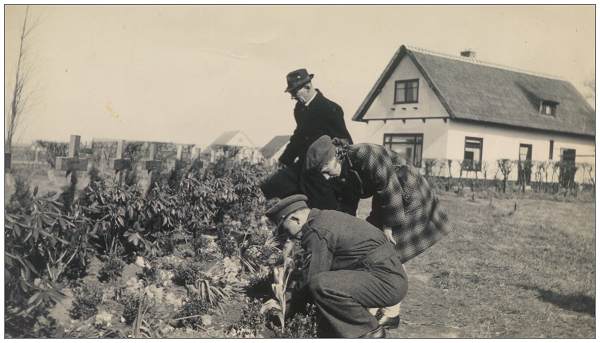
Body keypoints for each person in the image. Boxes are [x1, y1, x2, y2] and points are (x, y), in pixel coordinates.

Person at [304, 135, 452, 328]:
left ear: (334, 157)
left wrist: (388, 225)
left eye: (325, 170)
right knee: (368, 248)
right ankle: (371, 306)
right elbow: (347, 204)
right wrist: (344, 231)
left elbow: (389, 186)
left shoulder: (366, 154)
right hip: (385, 200)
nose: (325, 177)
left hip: (407, 193)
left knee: (390, 252)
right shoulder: (340, 172)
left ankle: (391, 313)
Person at [265, 194, 408, 338]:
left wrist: (285, 307)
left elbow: (311, 278)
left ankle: (370, 333)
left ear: (295, 219)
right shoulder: (324, 218)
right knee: (325, 284)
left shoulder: (317, 231)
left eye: (285, 230)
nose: (288, 237)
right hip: (387, 276)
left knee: (321, 285)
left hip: (386, 282)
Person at [260, 68, 353, 210]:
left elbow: (345, 141)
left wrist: (335, 170)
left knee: (322, 208)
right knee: (270, 186)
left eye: (295, 93)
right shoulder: (299, 108)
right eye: (291, 94)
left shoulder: (330, 108)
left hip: (321, 167)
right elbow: (298, 136)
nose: (293, 97)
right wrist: (284, 160)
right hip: (302, 164)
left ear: (308, 86)